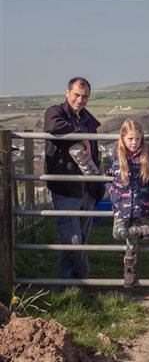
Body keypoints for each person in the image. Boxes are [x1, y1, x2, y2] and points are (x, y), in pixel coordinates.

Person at [44, 77, 105, 280]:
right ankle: (82, 281)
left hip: (87, 188)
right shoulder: (56, 112)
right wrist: (81, 136)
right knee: (72, 241)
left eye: (85, 96)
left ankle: (70, 287)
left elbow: (95, 154)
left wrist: (98, 185)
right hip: (66, 189)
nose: (80, 100)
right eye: (76, 95)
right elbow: (53, 126)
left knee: (81, 241)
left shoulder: (89, 120)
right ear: (67, 93)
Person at [106, 119, 149, 288]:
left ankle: (129, 270)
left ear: (142, 138)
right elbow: (108, 176)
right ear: (123, 138)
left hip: (140, 202)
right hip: (121, 204)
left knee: (132, 241)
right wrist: (113, 193)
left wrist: (148, 194)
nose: (134, 142)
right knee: (119, 233)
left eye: (138, 139)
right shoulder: (115, 154)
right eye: (130, 139)